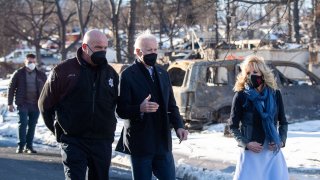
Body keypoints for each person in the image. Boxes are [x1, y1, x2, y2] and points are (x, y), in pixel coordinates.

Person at [38, 29, 119, 180]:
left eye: (105, 48)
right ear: (84, 47)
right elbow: (45, 104)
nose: (102, 51)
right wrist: (59, 131)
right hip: (74, 141)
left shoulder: (110, 74)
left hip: (102, 141)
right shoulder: (63, 71)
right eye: (97, 47)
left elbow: (115, 104)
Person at [115, 30, 188, 180]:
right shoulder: (128, 75)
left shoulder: (162, 73)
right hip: (140, 143)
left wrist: (179, 126)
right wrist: (139, 108)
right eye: (149, 50)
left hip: (162, 142)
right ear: (137, 51)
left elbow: (171, 105)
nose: (153, 53)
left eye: (155, 50)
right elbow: (120, 110)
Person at [228, 55, 289, 180]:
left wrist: (281, 141)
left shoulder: (275, 94)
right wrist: (246, 143)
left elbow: (283, 122)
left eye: (255, 72)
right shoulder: (241, 96)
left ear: (263, 73)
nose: (251, 75)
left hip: (272, 152)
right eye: (248, 72)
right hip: (251, 154)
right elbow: (232, 127)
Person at [7, 53, 47, 154]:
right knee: (23, 123)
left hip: (36, 104)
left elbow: (47, 90)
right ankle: (21, 146)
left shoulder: (41, 75)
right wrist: (10, 103)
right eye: (29, 62)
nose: (31, 64)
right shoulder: (18, 73)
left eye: (33, 62)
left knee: (32, 125)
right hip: (23, 103)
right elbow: (11, 88)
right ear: (25, 62)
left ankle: (29, 146)